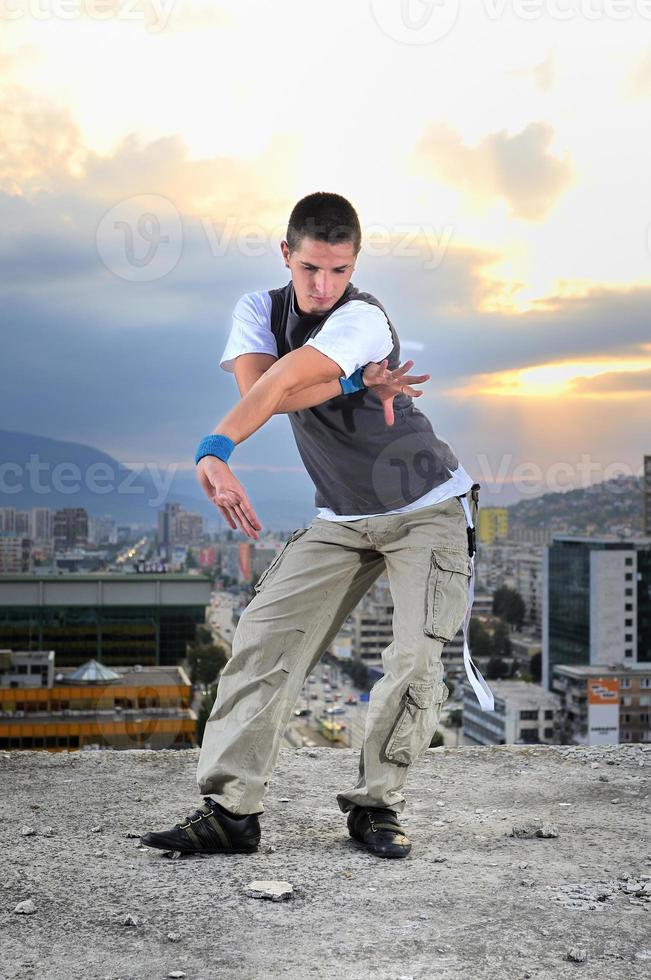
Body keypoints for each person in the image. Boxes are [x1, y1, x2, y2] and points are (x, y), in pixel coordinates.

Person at [140, 192, 493, 860]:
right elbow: (264, 394)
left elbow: (279, 386)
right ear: (286, 256)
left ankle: (375, 808)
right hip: (342, 516)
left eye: (338, 270)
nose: (323, 286)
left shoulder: (361, 317)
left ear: (353, 265)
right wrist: (353, 385)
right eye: (310, 270)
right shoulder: (256, 309)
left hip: (427, 510)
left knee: (412, 659)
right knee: (263, 636)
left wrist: (216, 449)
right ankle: (231, 812)